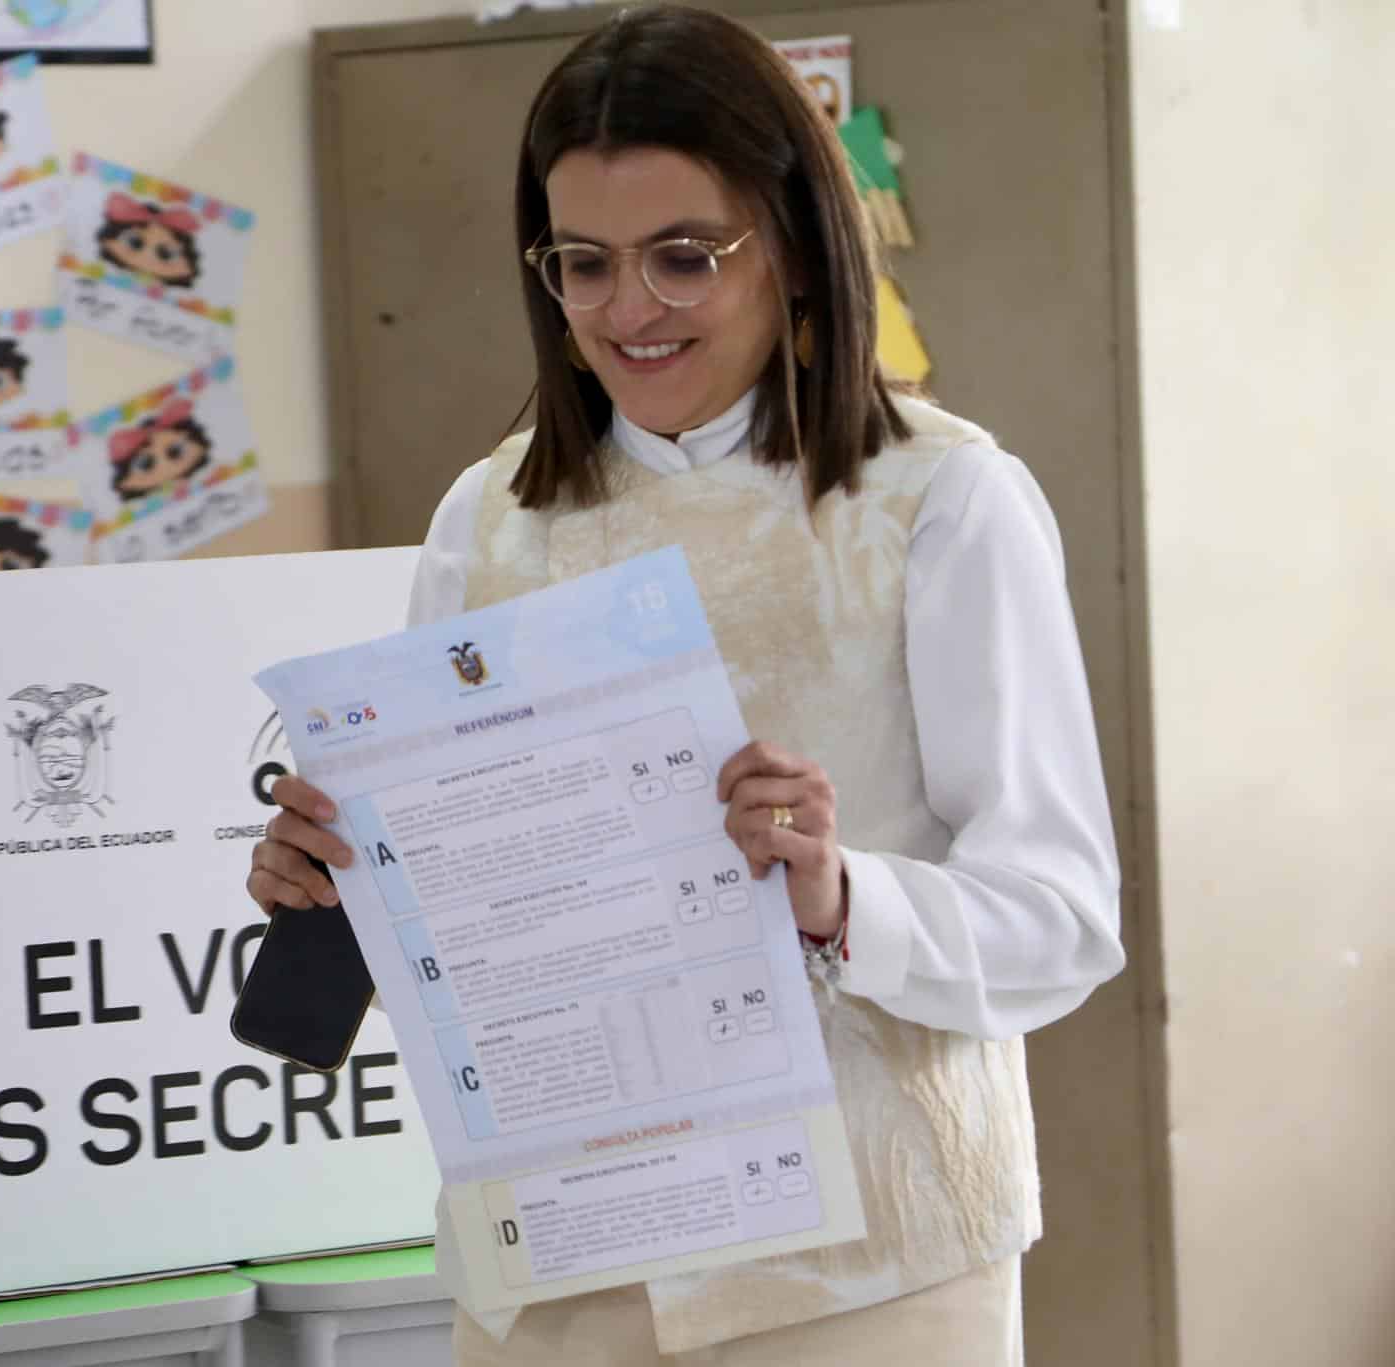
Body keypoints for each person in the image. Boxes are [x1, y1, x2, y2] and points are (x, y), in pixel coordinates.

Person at [246, 6, 1123, 1364]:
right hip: (558, 1265)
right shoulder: (486, 520)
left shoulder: (936, 504)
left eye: (683, 257)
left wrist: (843, 899)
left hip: (862, 1278)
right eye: (582, 265)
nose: (628, 310)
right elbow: (471, 910)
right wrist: (343, 878)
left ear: (790, 247)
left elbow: (1061, 919)